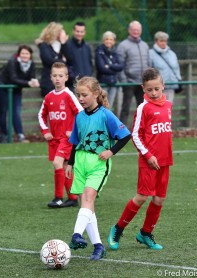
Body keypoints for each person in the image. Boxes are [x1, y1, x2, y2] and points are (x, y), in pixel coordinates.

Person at [107, 68, 173, 251]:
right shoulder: (143, 108)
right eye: (149, 89)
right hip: (148, 161)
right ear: (143, 88)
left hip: (165, 161)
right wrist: (148, 155)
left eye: (156, 89)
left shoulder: (168, 106)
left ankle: (145, 233)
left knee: (159, 200)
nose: (153, 93)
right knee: (142, 196)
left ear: (163, 86)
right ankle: (118, 228)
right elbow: (135, 135)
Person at [66, 76, 131, 261]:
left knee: (87, 198)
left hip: (98, 164)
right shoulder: (79, 116)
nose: (80, 98)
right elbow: (75, 142)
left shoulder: (105, 114)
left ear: (95, 94)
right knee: (87, 206)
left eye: (84, 95)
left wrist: (111, 151)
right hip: (80, 162)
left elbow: (125, 135)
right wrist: (70, 163)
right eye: (78, 95)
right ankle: (98, 246)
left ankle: (76, 235)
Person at [38, 62, 83, 208]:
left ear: (66, 77)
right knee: (64, 166)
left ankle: (58, 198)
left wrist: (74, 132)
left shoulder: (69, 95)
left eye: (61, 76)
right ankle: (72, 197)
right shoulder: (49, 97)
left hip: (66, 139)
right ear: (51, 77)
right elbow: (41, 115)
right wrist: (46, 131)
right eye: (55, 75)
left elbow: (81, 114)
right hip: (54, 139)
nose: (58, 78)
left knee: (57, 163)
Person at [0, 45, 39, 142]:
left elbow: (32, 77)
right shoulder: (12, 62)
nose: (25, 55)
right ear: (19, 54)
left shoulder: (32, 64)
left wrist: (34, 81)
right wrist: (28, 83)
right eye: (22, 53)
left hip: (16, 90)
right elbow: (13, 78)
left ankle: (20, 135)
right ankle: (4, 135)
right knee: (3, 111)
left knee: (16, 111)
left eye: (27, 53)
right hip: (3, 87)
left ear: (30, 55)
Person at [117, 20, 151, 126]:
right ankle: (122, 132)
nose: (136, 32)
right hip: (129, 83)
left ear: (140, 31)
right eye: (133, 30)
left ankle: (142, 129)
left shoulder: (145, 45)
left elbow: (149, 63)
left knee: (143, 108)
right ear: (129, 31)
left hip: (142, 83)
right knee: (125, 108)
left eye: (138, 30)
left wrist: (148, 80)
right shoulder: (123, 46)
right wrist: (124, 81)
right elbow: (119, 65)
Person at [35, 22, 69, 97]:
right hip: (48, 83)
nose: (62, 34)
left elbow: (69, 59)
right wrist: (63, 61)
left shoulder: (61, 46)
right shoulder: (44, 45)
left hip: (60, 84)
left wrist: (63, 43)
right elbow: (49, 60)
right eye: (60, 32)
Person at [95, 31, 124, 110]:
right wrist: (115, 68)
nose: (109, 41)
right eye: (106, 39)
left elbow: (121, 66)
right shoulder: (99, 51)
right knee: (102, 106)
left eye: (111, 39)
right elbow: (102, 68)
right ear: (103, 40)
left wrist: (109, 66)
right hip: (103, 83)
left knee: (110, 106)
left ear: (114, 41)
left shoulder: (115, 52)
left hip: (113, 82)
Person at [149, 31, 181, 103]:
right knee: (158, 109)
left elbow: (176, 68)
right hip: (157, 88)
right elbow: (149, 70)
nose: (163, 43)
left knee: (168, 108)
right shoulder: (151, 54)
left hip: (171, 86)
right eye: (161, 41)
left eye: (165, 41)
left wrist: (178, 79)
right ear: (156, 41)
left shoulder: (172, 54)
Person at [62, 22, 93, 90]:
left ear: (84, 32)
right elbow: (66, 64)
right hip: (73, 84)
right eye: (77, 31)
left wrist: (89, 75)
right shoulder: (67, 45)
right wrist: (73, 77)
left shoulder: (87, 46)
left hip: (87, 83)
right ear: (73, 31)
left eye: (82, 31)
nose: (79, 34)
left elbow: (90, 63)